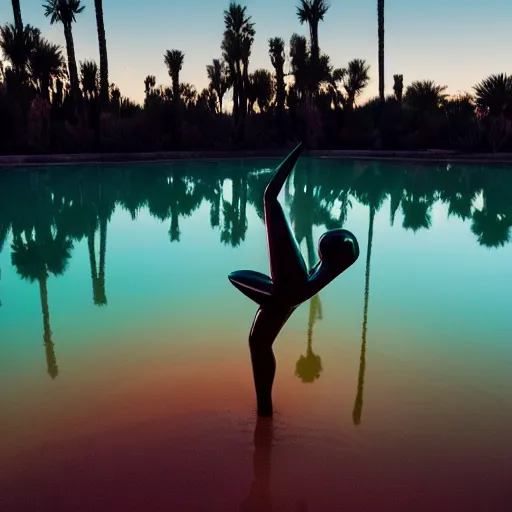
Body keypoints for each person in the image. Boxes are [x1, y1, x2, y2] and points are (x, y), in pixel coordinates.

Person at [229, 142, 359, 417]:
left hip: (284, 290)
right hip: (286, 290)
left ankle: (265, 409)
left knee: (269, 197)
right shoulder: (317, 274)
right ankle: (265, 407)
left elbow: (270, 195)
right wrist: (244, 282)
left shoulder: (303, 282)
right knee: (259, 345)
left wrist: (299, 150)